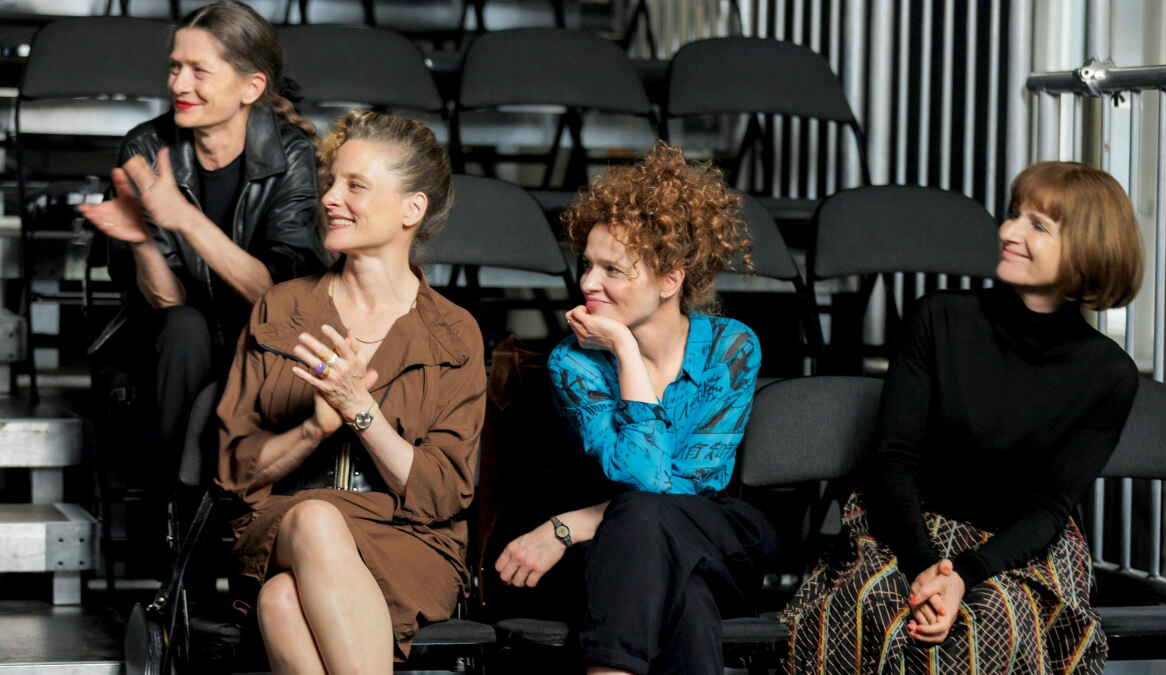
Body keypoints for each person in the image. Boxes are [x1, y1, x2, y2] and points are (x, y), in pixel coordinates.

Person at [783, 161, 1144, 674]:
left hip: (1017, 548)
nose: (1008, 232)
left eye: (1037, 226)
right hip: (908, 528)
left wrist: (963, 576)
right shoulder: (939, 317)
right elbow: (894, 460)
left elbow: (1048, 509)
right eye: (1014, 215)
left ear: (1088, 250)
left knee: (994, 618)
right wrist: (926, 568)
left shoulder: (1109, 373)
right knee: (880, 606)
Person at [215, 110, 485, 671]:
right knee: (314, 518)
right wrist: (316, 427)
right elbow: (235, 474)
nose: (330, 198)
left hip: (407, 540)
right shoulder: (282, 308)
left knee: (282, 602)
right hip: (280, 527)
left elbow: (444, 494)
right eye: (331, 182)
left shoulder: (454, 331)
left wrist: (361, 410)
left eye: (355, 186)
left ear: (412, 209)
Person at [494, 142, 778, 675]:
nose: (587, 283)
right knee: (679, 590)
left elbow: (686, 483)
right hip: (633, 556)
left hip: (718, 537)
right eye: (587, 265)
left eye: (613, 269)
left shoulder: (731, 347)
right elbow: (644, 482)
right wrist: (626, 350)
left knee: (645, 526)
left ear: (671, 279)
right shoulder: (573, 362)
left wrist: (572, 523)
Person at [78, 0, 326, 491]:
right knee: (185, 327)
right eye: (175, 67)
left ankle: (200, 509)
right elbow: (165, 299)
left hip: (262, 332)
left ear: (251, 87)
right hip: (170, 339)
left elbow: (277, 295)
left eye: (199, 71)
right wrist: (142, 239)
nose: (178, 85)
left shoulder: (291, 154)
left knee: (245, 338)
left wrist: (186, 220)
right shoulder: (145, 146)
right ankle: (181, 504)